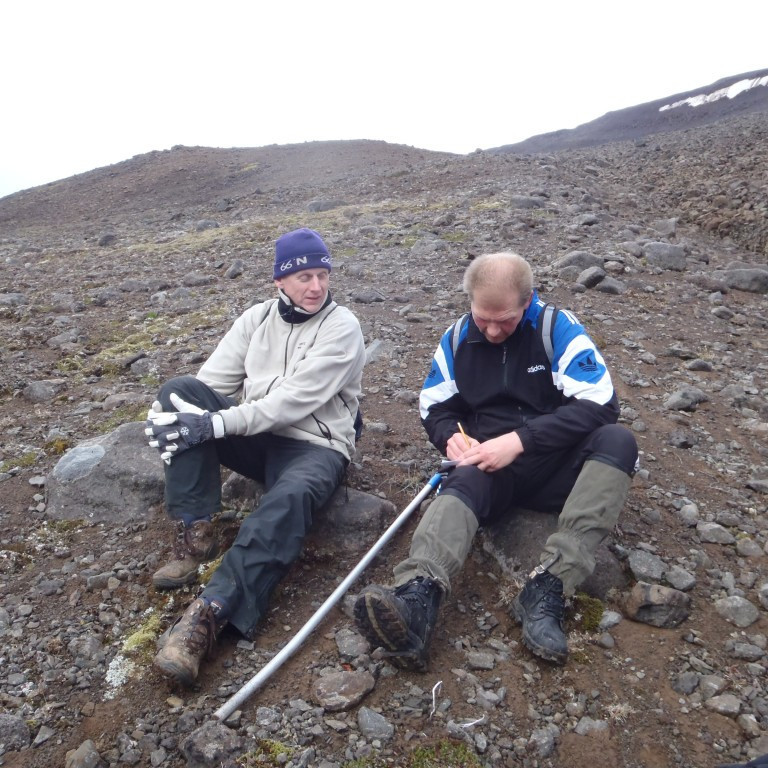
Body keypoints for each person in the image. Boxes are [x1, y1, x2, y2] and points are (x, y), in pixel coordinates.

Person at [354, 251, 638, 669]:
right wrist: (450, 437)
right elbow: (434, 405)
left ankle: (550, 585)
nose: (490, 330)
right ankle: (417, 599)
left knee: (618, 441)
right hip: (490, 470)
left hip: (556, 467)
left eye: (504, 320)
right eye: (482, 317)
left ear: (528, 300)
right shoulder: (457, 338)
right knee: (462, 478)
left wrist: (521, 440)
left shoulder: (557, 329)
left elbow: (600, 403)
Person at [145, 227, 366, 685]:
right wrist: (171, 415)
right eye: (304, 276)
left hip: (316, 446)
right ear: (279, 281)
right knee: (179, 393)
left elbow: (291, 402)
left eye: (323, 275)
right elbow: (209, 387)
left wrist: (214, 425)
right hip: (258, 439)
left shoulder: (342, 326)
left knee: (287, 500)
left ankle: (211, 613)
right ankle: (196, 532)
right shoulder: (257, 319)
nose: (316, 286)